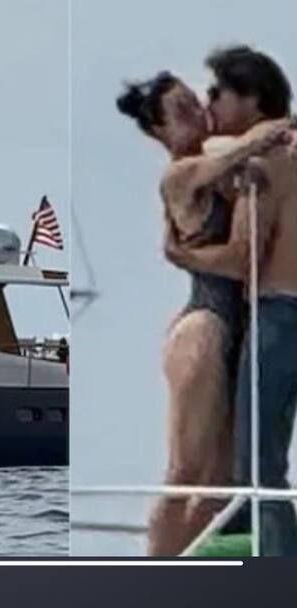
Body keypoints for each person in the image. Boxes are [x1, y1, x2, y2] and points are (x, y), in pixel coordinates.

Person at [117, 70, 293, 555]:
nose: (197, 114)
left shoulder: (226, 172)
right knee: (186, 470)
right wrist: (280, 125)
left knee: (221, 478)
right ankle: (154, 569)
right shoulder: (181, 175)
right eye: (182, 111)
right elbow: (240, 154)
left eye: (196, 102)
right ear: (159, 130)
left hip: (243, 324)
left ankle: (188, 563)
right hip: (206, 325)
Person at [165, 45, 297, 556]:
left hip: (280, 314)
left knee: (260, 467)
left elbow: (246, 258)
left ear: (252, 98)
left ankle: (273, 570)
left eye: (218, 92)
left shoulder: (263, 165)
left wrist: (183, 255)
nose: (210, 102)